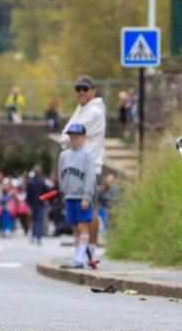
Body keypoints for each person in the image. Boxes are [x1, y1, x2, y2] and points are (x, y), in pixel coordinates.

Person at [60, 75, 106, 263]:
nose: (81, 93)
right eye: (78, 89)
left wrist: (66, 136)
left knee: (90, 211)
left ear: (93, 90)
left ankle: (91, 251)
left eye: (85, 89)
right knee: (79, 215)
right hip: (75, 165)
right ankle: (85, 251)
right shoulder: (82, 109)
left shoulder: (94, 111)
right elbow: (67, 133)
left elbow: (67, 136)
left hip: (90, 166)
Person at [58, 124, 96, 269]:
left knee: (83, 226)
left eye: (77, 137)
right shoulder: (64, 155)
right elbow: (61, 175)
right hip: (69, 196)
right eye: (72, 137)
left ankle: (82, 257)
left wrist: (87, 195)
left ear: (83, 138)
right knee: (74, 227)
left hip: (81, 196)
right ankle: (77, 255)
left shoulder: (87, 155)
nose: (74, 140)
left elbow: (90, 177)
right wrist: (63, 192)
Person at [26, 166, 50, 245]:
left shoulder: (30, 182)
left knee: (34, 221)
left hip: (33, 204)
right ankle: (38, 237)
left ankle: (33, 236)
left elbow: (28, 195)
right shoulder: (42, 182)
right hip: (41, 203)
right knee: (40, 221)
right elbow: (47, 192)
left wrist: (28, 205)